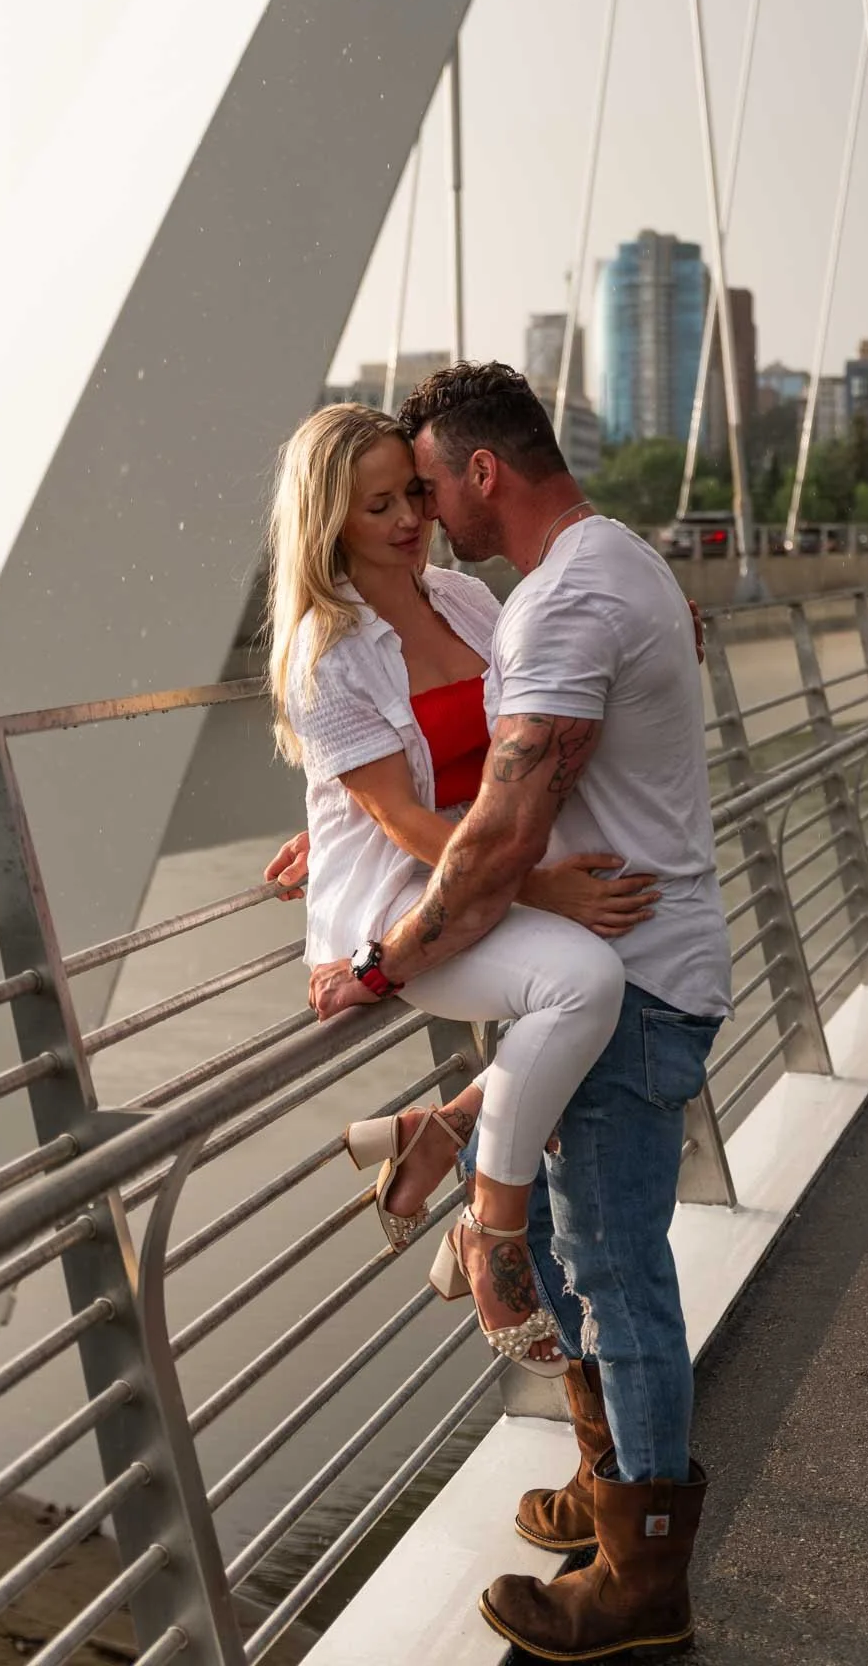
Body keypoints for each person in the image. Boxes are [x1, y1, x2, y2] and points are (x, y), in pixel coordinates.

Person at [309, 362, 732, 1662]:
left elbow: (497, 833)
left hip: (637, 973)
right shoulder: (613, 563)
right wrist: (334, 833)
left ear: (479, 473)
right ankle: (607, 1499)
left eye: (425, 484)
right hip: (633, 957)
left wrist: (378, 967)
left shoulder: (555, 603)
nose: (424, 512)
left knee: (612, 1275)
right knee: (571, 1252)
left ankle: (639, 1581)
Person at [264, 400, 661, 1374]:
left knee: (641, 959)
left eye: (412, 494)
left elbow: (516, 740)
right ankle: (492, 1237)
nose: (408, 519)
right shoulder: (326, 658)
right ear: (327, 524)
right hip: (409, 913)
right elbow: (404, 821)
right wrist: (540, 890)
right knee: (584, 985)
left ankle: (441, 1130)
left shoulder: (467, 602)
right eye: (376, 507)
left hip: (483, 876)